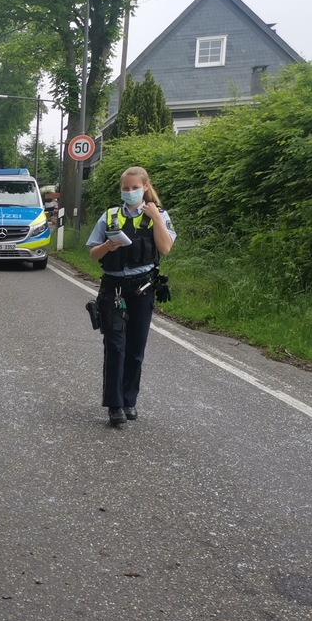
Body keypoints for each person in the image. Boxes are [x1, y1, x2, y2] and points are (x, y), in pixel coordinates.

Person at [86, 166, 176, 427]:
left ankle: (129, 400)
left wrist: (157, 218)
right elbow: (93, 254)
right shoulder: (110, 216)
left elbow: (166, 248)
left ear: (145, 187)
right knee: (115, 347)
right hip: (113, 289)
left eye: (134, 188)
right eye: (125, 189)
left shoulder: (158, 215)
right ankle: (114, 406)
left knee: (135, 348)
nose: (130, 192)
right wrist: (107, 246)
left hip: (142, 290)